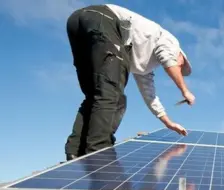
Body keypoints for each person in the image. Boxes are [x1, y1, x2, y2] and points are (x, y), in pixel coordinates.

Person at [64, 4, 194, 161]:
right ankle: (99, 153)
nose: (179, 68)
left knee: (96, 95)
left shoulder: (143, 65)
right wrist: (185, 91)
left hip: (77, 23)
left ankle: (74, 151)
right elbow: (168, 60)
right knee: (112, 96)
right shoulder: (171, 43)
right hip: (104, 21)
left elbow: (150, 96)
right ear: (181, 56)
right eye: (181, 65)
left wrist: (168, 122)